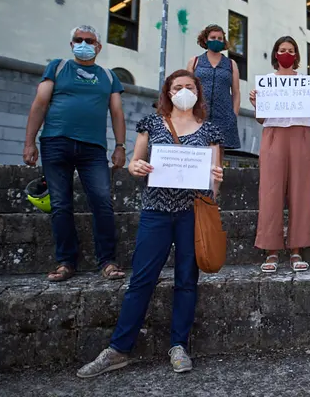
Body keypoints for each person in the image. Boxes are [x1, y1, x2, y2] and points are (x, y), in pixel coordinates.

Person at [77, 70, 224, 378]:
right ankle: (118, 349)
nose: (184, 91)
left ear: (198, 92)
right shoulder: (152, 124)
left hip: (191, 214)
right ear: (167, 93)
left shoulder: (209, 130)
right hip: (155, 210)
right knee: (141, 280)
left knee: (187, 280)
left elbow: (214, 179)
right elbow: (134, 163)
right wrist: (136, 166)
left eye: (190, 87)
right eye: (177, 87)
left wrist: (215, 178)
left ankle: (179, 346)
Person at [23, 25, 126, 282]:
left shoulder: (108, 75)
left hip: (93, 148)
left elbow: (116, 113)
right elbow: (40, 103)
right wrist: (29, 142)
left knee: (102, 201)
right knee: (60, 204)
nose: (83, 43)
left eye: (89, 40)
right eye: (78, 40)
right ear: (71, 45)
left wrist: (120, 146)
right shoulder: (58, 67)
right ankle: (66, 262)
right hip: (55, 143)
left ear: (98, 46)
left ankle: (107, 262)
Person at [248, 36, 310, 272]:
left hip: (301, 134)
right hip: (273, 135)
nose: (286, 54)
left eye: (291, 50)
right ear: (275, 54)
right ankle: (271, 251)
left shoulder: (305, 83)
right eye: (282, 50)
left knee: (300, 191)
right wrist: (256, 104)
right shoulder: (267, 82)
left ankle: (296, 250)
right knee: (270, 191)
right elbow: (262, 119)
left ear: (296, 56)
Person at [187, 24, 241, 163]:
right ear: (205, 39)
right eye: (213, 37)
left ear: (223, 41)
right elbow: (186, 89)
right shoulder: (195, 61)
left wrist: (233, 114)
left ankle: (214, 184)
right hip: (198, 113)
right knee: (196, 151)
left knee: (217, 157)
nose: (216, 40)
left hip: (224, 115)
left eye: (220, 38)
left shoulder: (231, 64)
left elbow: (236, 92)